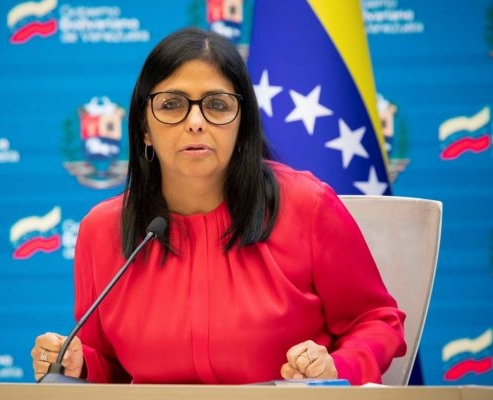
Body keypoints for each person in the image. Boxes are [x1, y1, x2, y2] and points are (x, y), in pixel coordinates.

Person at [31, 27, 406, 385]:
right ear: (144, 128)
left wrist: (336, 369)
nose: (195, 122)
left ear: (242, 124)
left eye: (216, 105)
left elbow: (376, 321)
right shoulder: (103, 230)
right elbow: (106, 363)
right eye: (172, 104)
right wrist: (77, 364)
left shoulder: (307, 206)